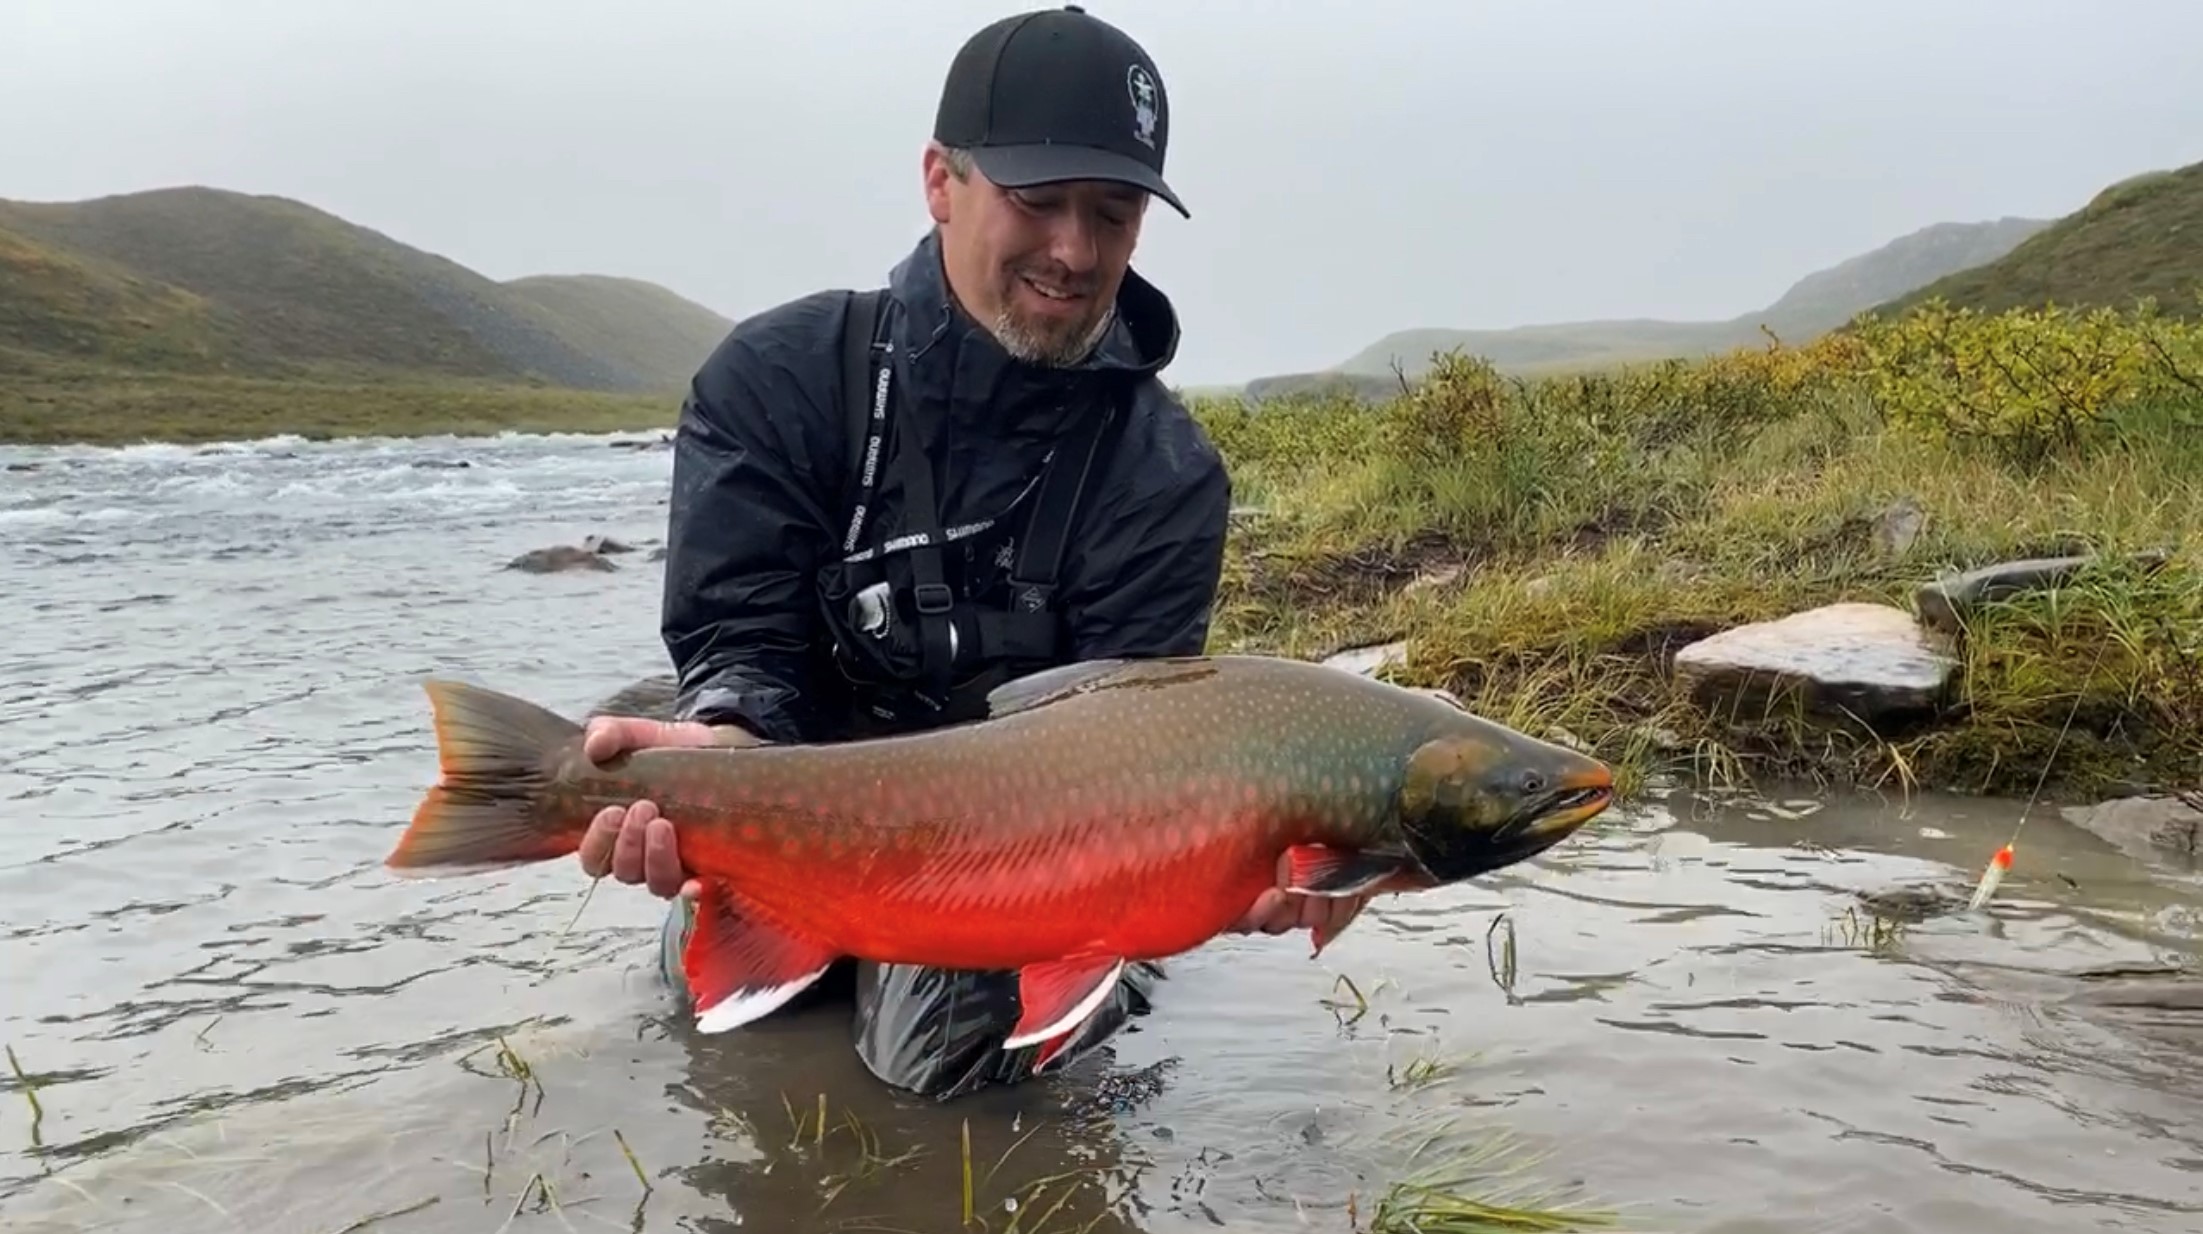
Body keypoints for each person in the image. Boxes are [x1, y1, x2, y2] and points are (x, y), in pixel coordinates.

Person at [573, 4, 1372, 1099]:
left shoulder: (1166, 475)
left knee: (949, 1072)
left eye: (1115, 210)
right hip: (805, 802)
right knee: (732, 1042)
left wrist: (1230, 865)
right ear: (940, 181)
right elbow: (739, 636)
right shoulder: (777, 379)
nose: (1076, 252)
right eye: (1037, 202)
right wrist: (722, 731)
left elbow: (1142, 752)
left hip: (1024, 857)